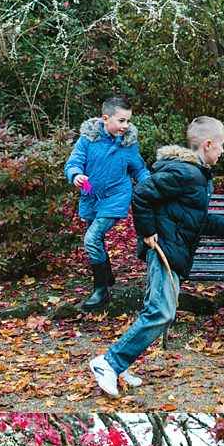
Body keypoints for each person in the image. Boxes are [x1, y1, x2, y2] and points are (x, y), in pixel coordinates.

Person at [89, 116, 224, 397]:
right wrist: (147, 232)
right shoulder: (186, 173)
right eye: (221, 146)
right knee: (161, 311)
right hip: (164, 251)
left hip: (173, 251)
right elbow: (143, 194)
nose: (222, 152)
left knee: (158, 310)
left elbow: (194, 219)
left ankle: (120, 364)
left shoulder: (196, 176)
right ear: (207, 145)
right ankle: (108, 363)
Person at [65, 95, 154, 311]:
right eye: (121, 121)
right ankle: (108, 278)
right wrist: (76, 175)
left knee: (92, 238)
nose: (126, 126)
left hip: (116, 197)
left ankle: (101, 289)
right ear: (106, 119)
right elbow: (73, 163)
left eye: (128, 121)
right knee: (96, 240)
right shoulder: (87, 140)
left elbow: (139, 169)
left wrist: (151, 187)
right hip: (91, 196)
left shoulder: (128, 145)